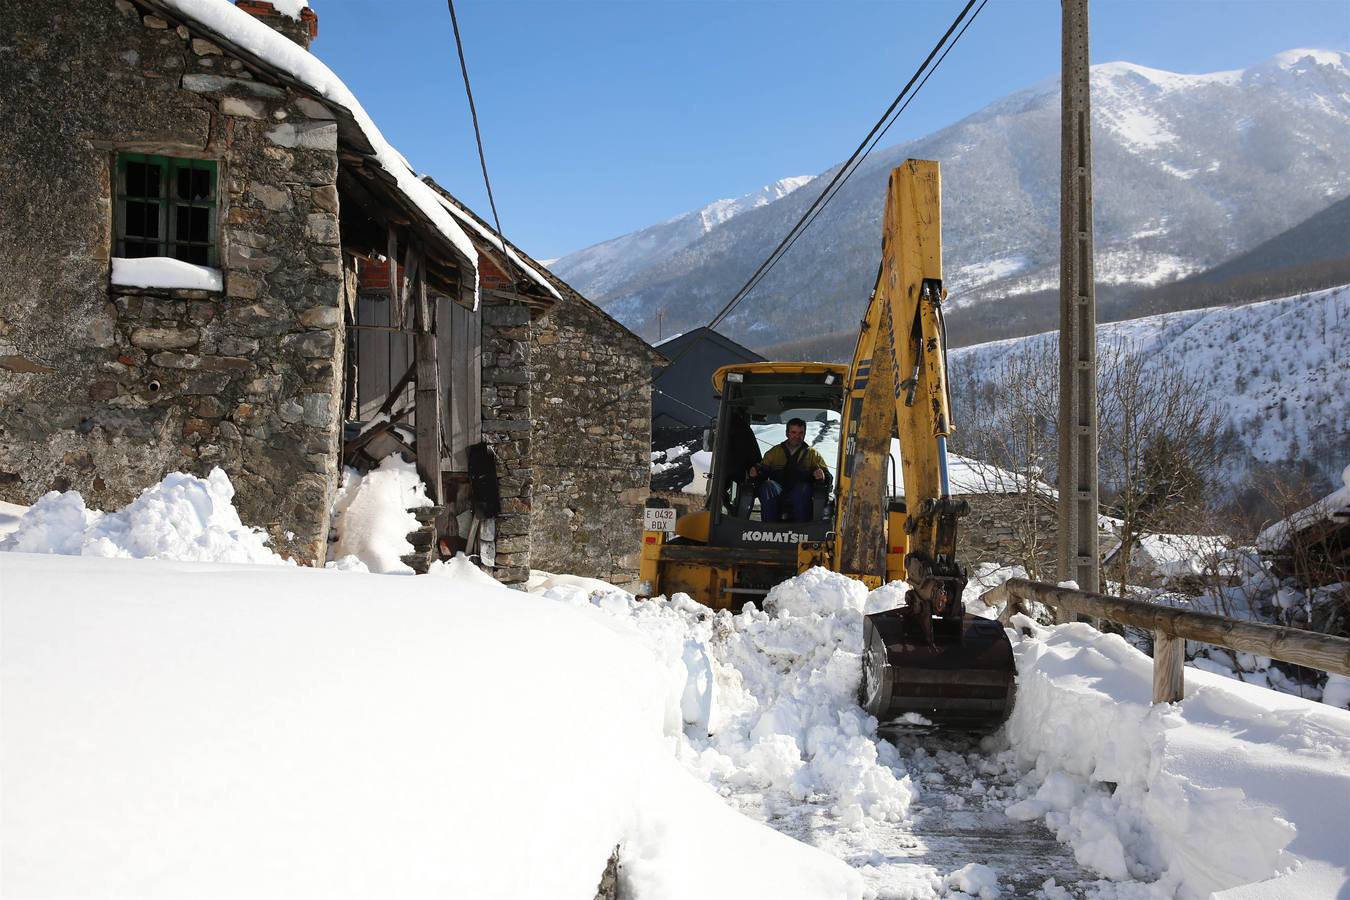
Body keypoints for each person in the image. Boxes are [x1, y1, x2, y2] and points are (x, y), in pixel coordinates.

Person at [749, 418, 829, 523]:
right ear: (787, 433)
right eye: (793, 432)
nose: (797, 436)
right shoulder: (775, 452)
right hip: (778, 489)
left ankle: (801, 528)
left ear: (804, 434)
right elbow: (763, 468)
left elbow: (827, 476)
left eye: (801, 433)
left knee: (803, 488)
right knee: (768, 485)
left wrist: (822, 476)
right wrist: (756, 472)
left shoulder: (812, 454)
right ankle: (769, 526)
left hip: (800, 491)